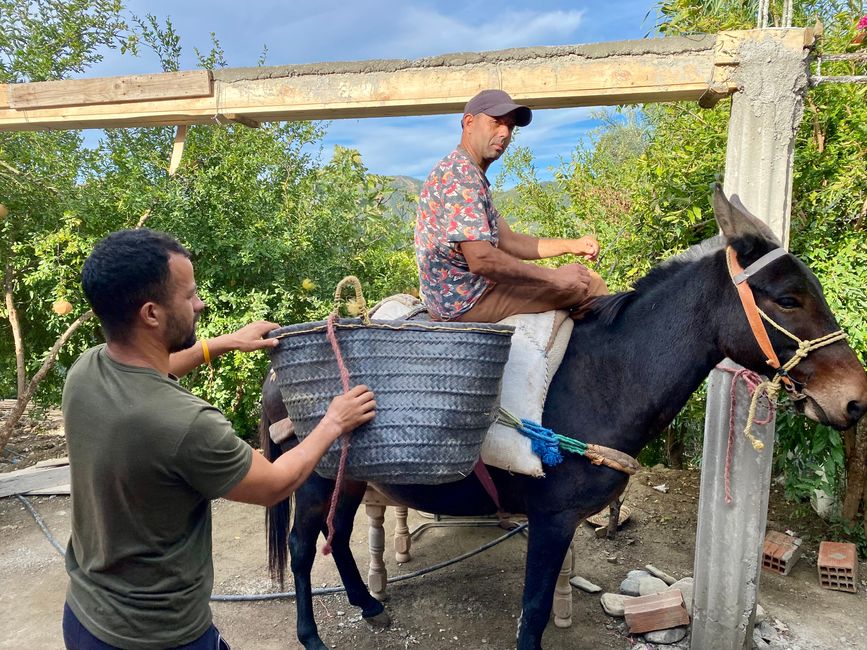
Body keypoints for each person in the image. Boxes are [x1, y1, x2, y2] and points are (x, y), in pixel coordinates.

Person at [61, 228, 376, 650]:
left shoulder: (86, 371)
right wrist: (335, 421)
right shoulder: (186, 424)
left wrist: (227, 342)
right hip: (161, 636)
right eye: (189, 296)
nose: (200, 304)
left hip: (86, 617)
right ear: (152, 314)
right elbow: (275, 484)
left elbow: (157, 365)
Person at [415, 89, 608, 322]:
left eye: (510, 126)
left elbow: (509, 241)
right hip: (466, 304)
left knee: (577, 279)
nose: (504, 133)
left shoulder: (464, 172)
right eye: (496, 122)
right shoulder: (461, 175)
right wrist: (554, 278)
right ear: (469, 123)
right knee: (588, 283)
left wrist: (571, 245)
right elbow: (482, 259)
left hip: (466, 296)